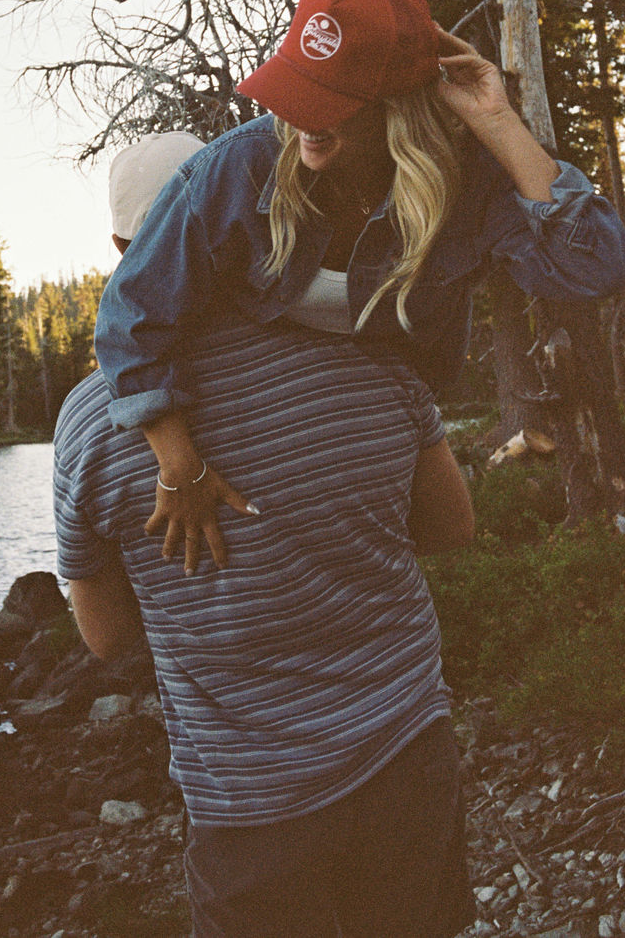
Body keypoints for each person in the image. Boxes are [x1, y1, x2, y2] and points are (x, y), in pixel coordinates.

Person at [54, 129, 479, 936]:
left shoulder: (89, 425)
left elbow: (108, 638)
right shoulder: (365, 346)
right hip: (403, 755)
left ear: (119, 247)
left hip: (248, 805)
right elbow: (452, 528)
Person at [91, 0, 625, 573]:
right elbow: (129, 313)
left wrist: (499, 122)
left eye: (329, 100)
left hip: (386, 418)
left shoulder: (467, 183)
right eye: (297, 86)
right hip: (261, 416)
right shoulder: (238, 168)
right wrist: (178, 466)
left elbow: (595, 269)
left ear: (397, 107)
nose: (300, 117)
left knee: (429, 557)